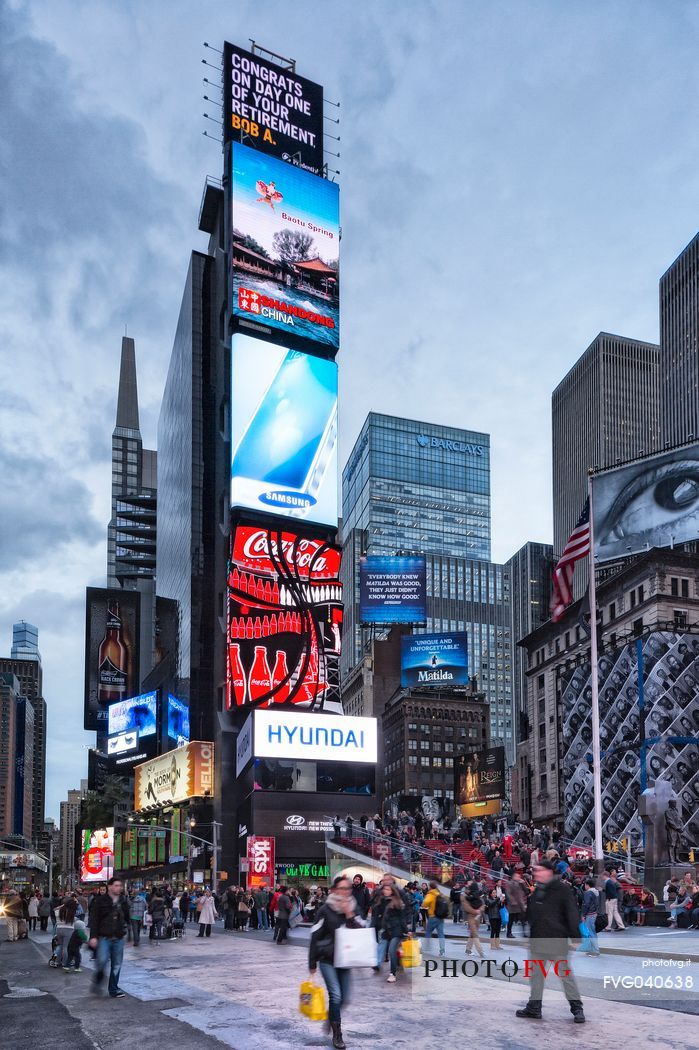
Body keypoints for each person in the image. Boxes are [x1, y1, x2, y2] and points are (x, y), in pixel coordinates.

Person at [516, 860, 585, 1024]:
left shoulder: (562, 889)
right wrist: (527, 934)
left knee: (565, 976)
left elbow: (571, 913)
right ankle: (534, 1008)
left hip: (557, 941)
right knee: (536, 976)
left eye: (538, 870)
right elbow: (531, 915)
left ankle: (577, 1008)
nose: (535, 873)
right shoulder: (538, 890)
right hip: (537, 943)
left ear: (548, 871)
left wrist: (575, 937)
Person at [309, 875, 360, 1049]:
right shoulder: (325, 909)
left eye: (348, 888)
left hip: (345, 959)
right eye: (342, 888)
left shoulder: (353, 907)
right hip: (327, 959)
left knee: (344, 998)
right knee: (336, 995)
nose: (346, 892)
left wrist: (349, 915)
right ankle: (337, 1035)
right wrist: (312, 963)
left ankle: (331, 1018)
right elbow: (315, 935)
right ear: (335, 890)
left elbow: (361, 932)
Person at [89, 876, 130, 998]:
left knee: (117, 964)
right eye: (116, 885)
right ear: (110, 887)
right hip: (104, 937)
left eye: (120, 886)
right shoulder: (101, 901)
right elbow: (94, 920)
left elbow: (127, 918)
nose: (119, 888)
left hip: (118, 937)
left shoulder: (123, 901)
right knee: (101, 961)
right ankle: (98, 981)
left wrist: (130, 935)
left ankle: (113, 988)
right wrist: (93, 937)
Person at [377, 884, 408, 982]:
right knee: (391, 950)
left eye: (387, 889)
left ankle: (392, 974)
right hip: (388, 931)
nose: (385, 890)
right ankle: (398, 963)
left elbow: (402, 918)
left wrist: (406, 931)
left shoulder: (397, 902)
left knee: (391, 951)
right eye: (384, 889)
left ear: (392, 891)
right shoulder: (383, 900)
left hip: (396, 930)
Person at [461, 878, 485, 958]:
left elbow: (482, 904)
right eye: (469, 883)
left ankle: (468, 949)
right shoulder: (463, 895)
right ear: (466, 884)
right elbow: (466, 907)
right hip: (470, 916)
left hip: (478, 917)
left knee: (472, 934)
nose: (470, 884)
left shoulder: (476, 893)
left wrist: (480, 910)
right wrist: (476, 911)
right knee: (475, 933)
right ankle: (481, 951)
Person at [423, 881, 447, 956]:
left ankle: (426, 948)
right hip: (441, 917)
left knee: (428, 932)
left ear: (430, 886)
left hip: (433, 916)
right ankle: (442, 951)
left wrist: (425, 904)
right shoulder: (439, 893)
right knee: (441, 934)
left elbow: (425, 903)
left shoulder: (431, 894)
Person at [581, 877, 601, 957]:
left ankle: (595, 951)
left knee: (590, 932)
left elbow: (586, 904)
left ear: (587, 885)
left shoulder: (588, 893)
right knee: (592, 932)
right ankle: (592, 950)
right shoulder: (596, 892)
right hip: (594, 913)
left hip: (589, 914)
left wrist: (583, 915)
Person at [54, 899, 77, 967]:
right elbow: (76, 918)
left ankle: (57, 962)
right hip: (68, 930)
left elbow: (54, 909)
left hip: (58, 929)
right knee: (66, 947)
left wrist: (62, 906)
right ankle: (65, 963)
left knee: (60, 946)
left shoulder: (58, 911)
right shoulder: (72, 912)